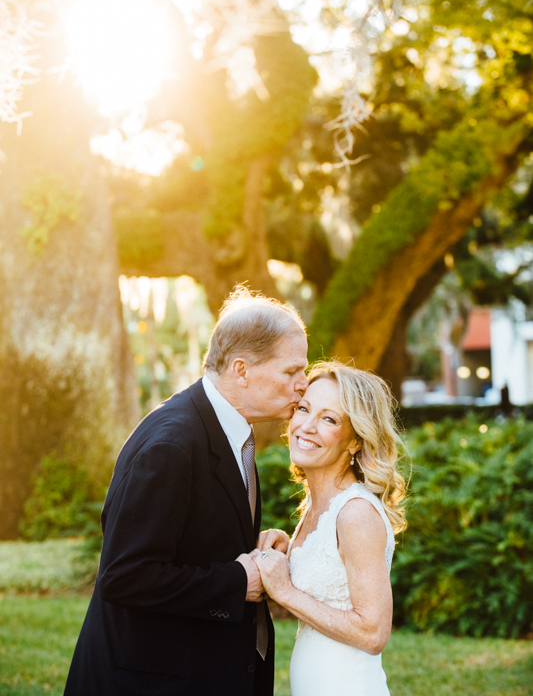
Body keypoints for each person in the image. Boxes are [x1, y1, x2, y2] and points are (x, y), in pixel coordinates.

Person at [64, 286, 308, 696]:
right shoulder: (171, 446)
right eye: (291, 372)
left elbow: (196, 541)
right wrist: (236, 581)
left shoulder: (228, 429)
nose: (304, 384)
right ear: (241, 369)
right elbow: (124, 575)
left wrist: (253, 549)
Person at [255, 361, 407, 696]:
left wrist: (285, 591)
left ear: (355, 440)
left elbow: (373, 633)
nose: (306, 426)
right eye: (304, 409)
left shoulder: (355, 514)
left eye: (329, 419)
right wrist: (286, 550)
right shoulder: (319, 505)